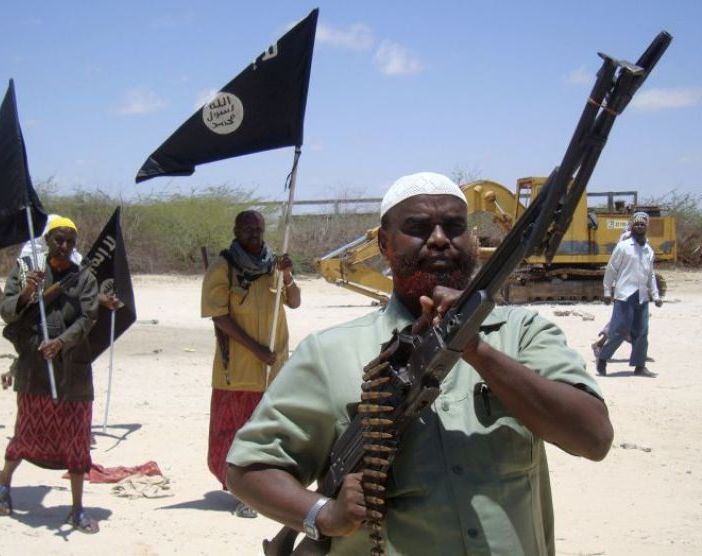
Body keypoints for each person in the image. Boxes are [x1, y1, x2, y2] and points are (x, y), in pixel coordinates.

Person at [225, 172, 613, 554]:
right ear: (384, 243)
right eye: (418, 227)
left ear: (472, 239)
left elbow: (593, 439)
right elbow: (248, 470)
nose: (440, 239)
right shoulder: (329, 353)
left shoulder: (522, 334)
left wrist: (476, 349)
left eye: (455, 226)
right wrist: (323, 515)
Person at [0, 216, 101, 534]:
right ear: (47, 242)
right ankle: (3, 481)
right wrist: (27, 292)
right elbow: (7, 310)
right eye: (58, 240)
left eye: (69, 241)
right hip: (35, 372)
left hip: (73, 374)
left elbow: (88, 317)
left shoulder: (84, 278)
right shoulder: (28, 272)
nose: (64, 246)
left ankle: (77, 509)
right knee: (26, 433)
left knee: (77, 441)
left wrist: (61, 342)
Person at [201, 209, 301, 518]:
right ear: (236, 230)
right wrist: (256, 349)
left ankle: (265, 491)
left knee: (267, 434)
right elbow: (220, 316)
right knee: (234, 433)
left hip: (274, 369)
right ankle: (241, 492)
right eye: (247, 228)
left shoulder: (274, 265)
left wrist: (287, 275)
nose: (253, 233)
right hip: (239, 372)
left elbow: (294, 301)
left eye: (257, 227)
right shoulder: (223, 268)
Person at [597, 211, 662, 377]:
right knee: (619, 331)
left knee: (641, 332)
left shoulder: (648, 250)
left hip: (642, 296)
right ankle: (603, 358)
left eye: (642, 224)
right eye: (636, 224)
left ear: (646, 227)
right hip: (625, 295)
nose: (639, 226)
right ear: (631, 227)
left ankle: (640, 366)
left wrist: (655, 295)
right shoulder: (623, 247)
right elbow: (611, 269)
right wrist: (607, 290)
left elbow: (650, 274)